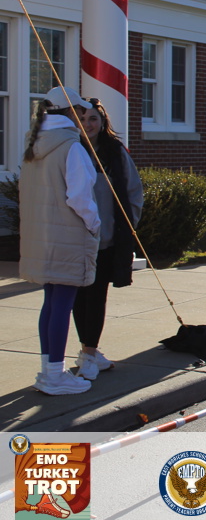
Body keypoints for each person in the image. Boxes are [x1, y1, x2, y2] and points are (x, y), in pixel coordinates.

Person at [21, 87, 100, 395]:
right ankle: (54, 375)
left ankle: (50, 371)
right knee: (62, 304)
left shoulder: (34, 143)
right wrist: (94, 226)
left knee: (52, 302)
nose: (83, 116)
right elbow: (80, 198)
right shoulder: (71, 147)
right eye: (80, 111)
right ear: (70, 112)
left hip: (43, 236)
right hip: (68, 234)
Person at [71, 98, 143, 380]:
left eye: (93, 119)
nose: (87, 124)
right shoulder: (70, 149)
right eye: (82, 118)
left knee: (96, 295)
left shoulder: (115, 153)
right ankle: (88, 351)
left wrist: (126, 227)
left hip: (105, 240)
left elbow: (133, 192)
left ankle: (89, 352)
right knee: (78, 297)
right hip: (74, 239)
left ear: (103, 123)